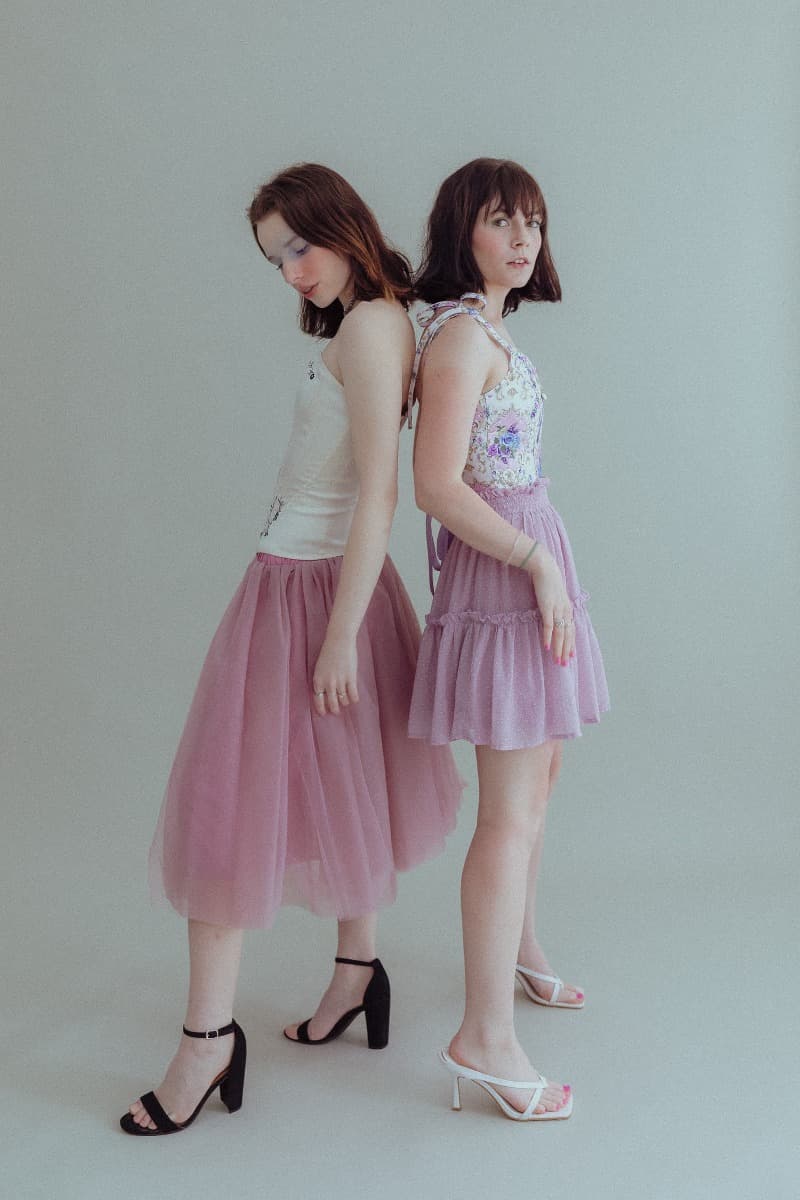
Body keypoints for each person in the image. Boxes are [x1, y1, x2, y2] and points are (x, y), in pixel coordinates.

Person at [120, 163, 463, 1136]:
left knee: (224, 819)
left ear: (338, 224)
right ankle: (356, 974)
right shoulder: (381, 318)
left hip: (308, 592)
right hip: (306, 582)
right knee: (345, 788)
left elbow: (380, 495)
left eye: (298, 246)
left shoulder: (368, 328)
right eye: (276, 257)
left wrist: (340, 635)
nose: (290, 271)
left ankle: (204, 1044)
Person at [407, 158, 609, 1122]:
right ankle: (483, 1038)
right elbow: (437, 486)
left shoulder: (490, 328)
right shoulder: (457, 340)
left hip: (528, 560)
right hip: (505, 571)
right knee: (509, 810)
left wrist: (544, 562)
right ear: (464, 232)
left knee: (542, 780)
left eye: (532, 219)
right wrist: (534, 563)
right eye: (500, 220)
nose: (523, 237)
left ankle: (519, 952)